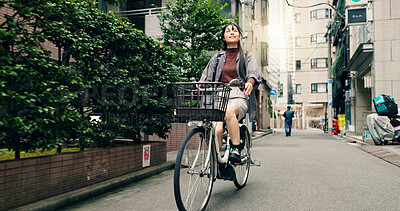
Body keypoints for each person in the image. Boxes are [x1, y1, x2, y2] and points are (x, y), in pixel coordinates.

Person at [199, 23, 261, 163]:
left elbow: (253, 72)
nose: (232, 32)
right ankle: (216, 162)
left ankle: (235, 147)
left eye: (235, 30)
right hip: (219, 96)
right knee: (217, 128)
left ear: (239, 36)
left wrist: (250, 81)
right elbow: (206, 77)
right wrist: (198, 86)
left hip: (238, 95)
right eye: (228, 31)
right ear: (223, 37)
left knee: (229, 112)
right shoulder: (218, 57)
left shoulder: (247, 56)